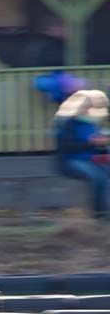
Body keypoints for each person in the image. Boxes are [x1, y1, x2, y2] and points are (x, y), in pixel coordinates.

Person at [54, 90, 110, 219]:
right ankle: (101, 215)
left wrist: (102, 146)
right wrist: (90, 143)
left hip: (91, 159)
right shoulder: (68, 124)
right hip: (70, 161)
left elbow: (99, 150)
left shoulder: (91, 125)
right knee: (98, 177)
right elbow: (66, 147)